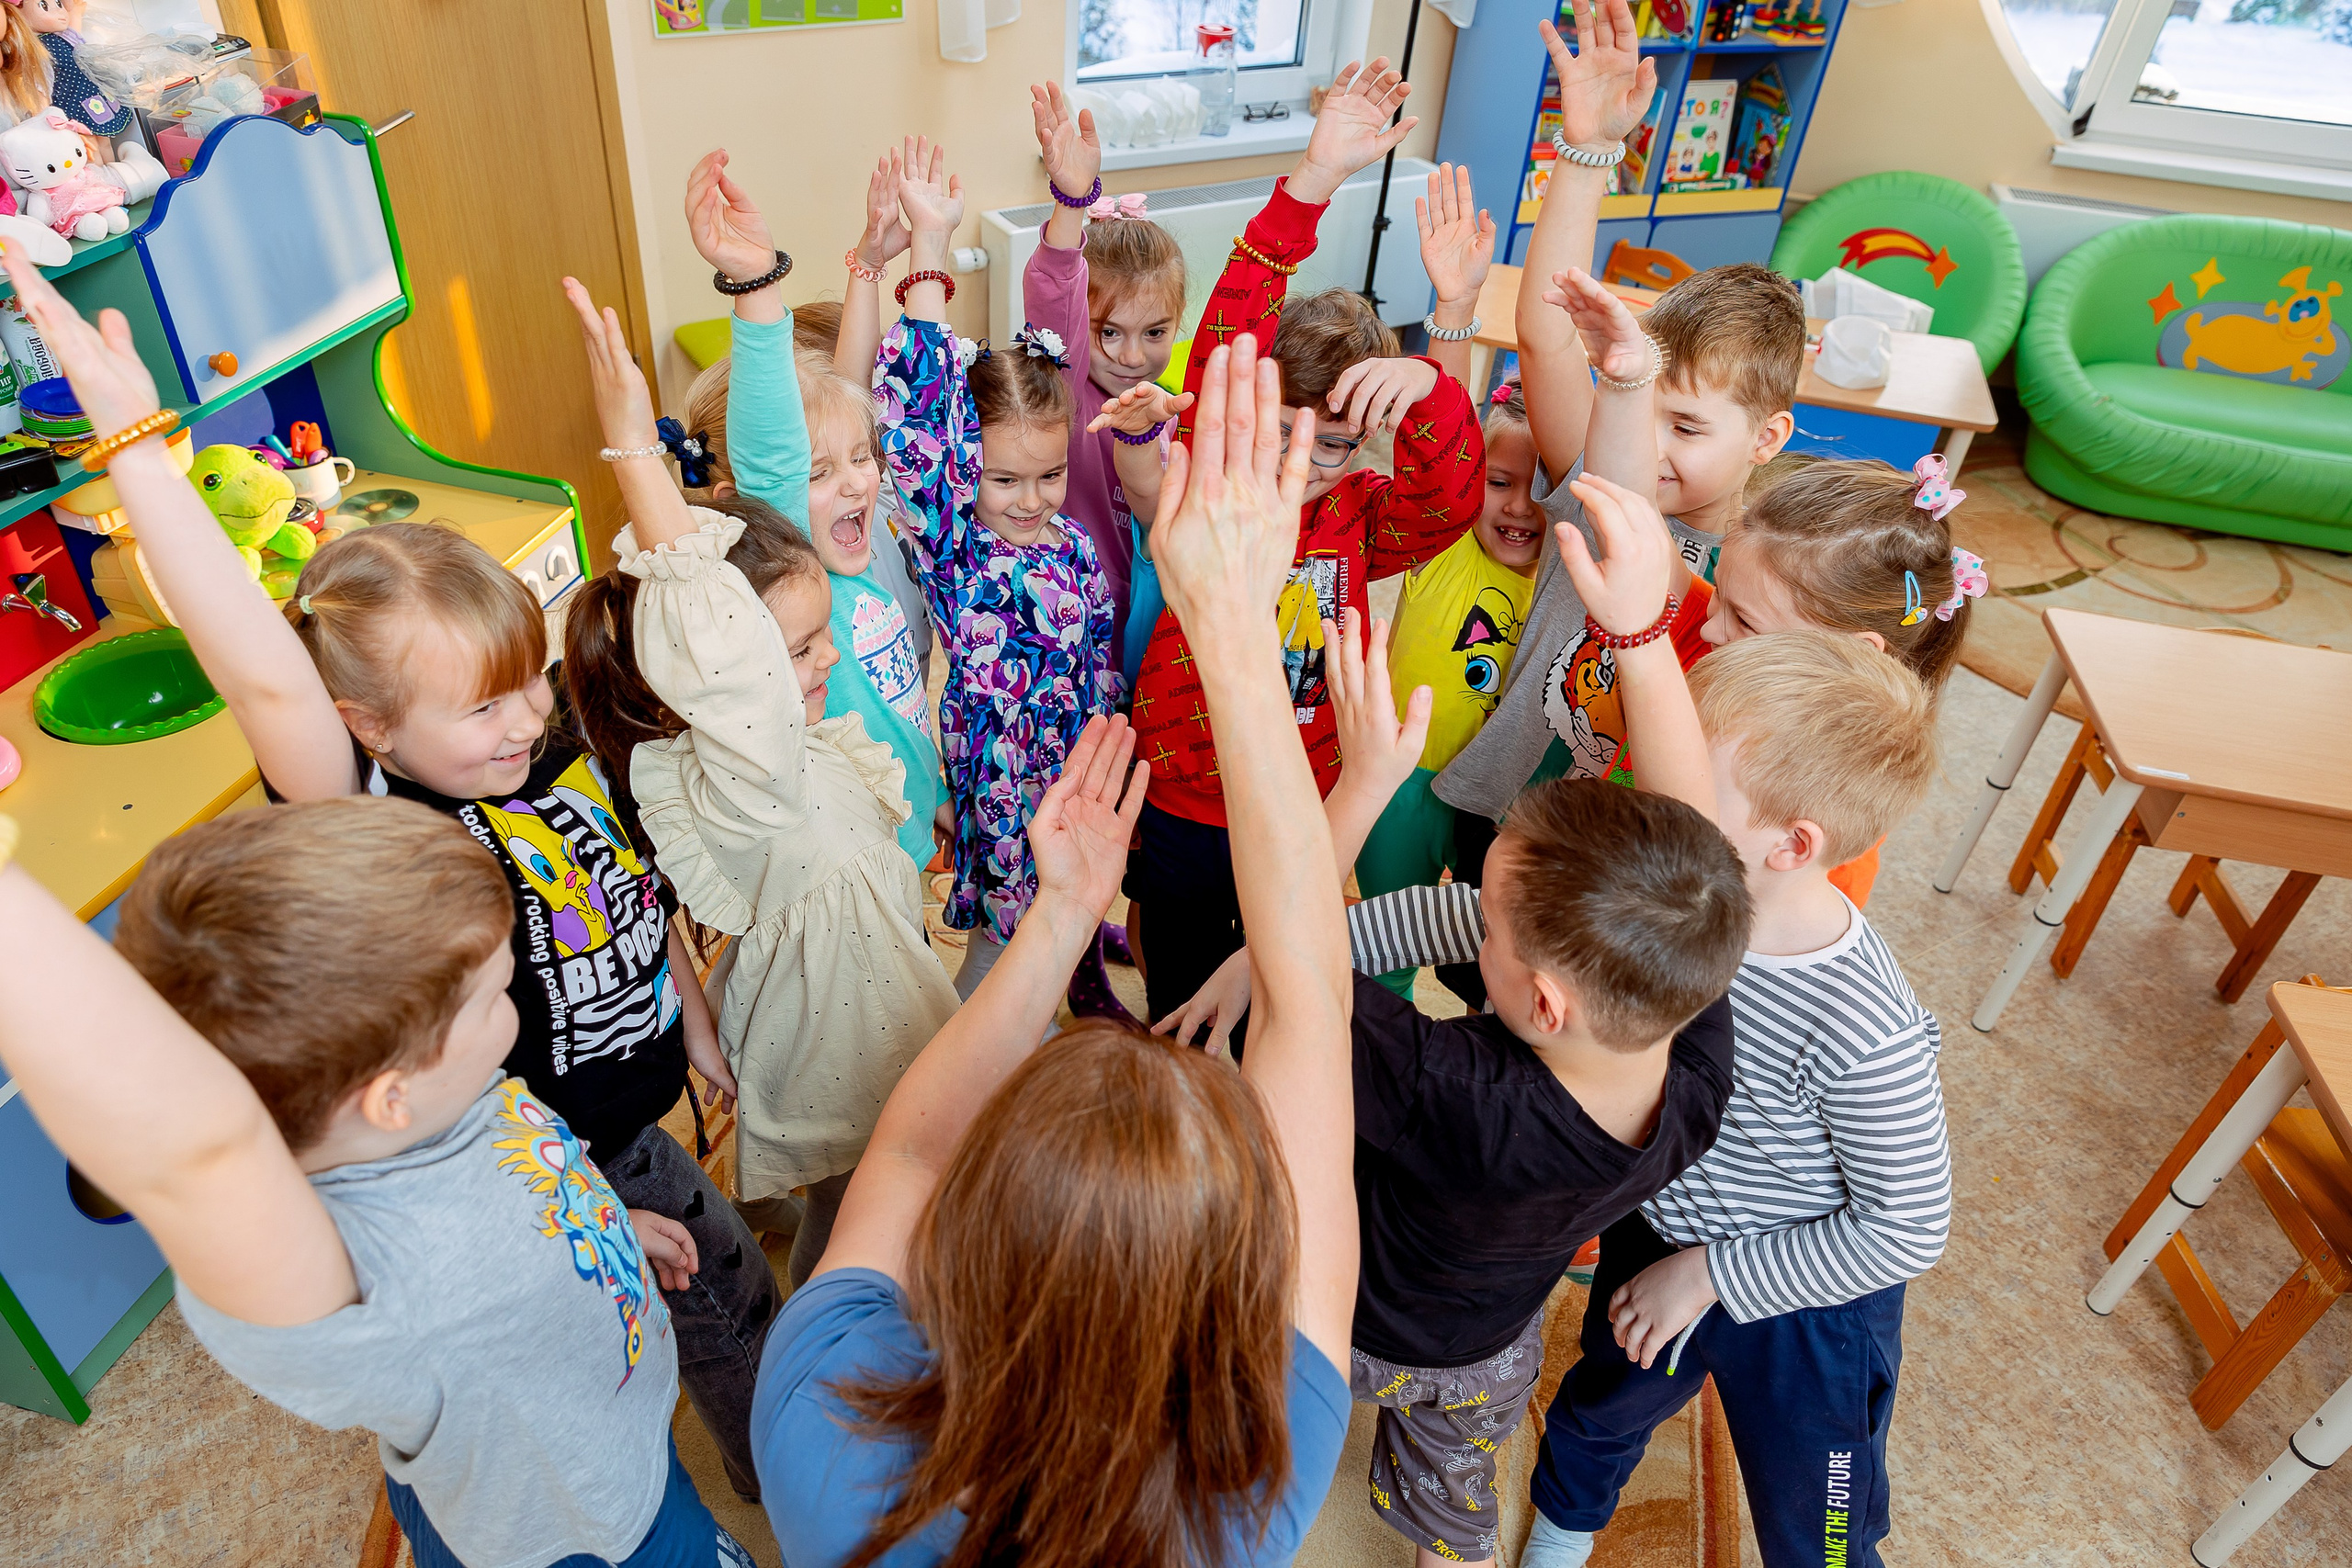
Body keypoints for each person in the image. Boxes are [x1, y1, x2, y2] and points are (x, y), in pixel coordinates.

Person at [0, 242, 780, 1501]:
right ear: (367, 728)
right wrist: (141, 448)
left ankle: (766, 1445)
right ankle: (778, 1466)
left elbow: (626, 901)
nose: (526, 716)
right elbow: (258, 666)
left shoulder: (554, 750)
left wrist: (691, 1015)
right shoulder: (380, 819)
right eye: (479, 706)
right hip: (553, 1159)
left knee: (731, 1298)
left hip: (629, 1120)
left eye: (526, 676)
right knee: (710, 1312)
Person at [750, 333, 1360, 1568]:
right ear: (1233, 1290)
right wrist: (1240, 632)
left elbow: (912, 1140)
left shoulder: (820, 1421)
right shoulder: (1254, 1484)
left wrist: (1058, 912)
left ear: (961, 1242)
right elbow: (1311, 1013)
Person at [0, 801, 755, 1568]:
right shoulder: (365, 1271)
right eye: (496, 992)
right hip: (581, 1529)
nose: (516, 995)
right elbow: (205, 1155)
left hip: (618, 1443)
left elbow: (514, 1193)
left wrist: (606, 1224)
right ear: (392, 1092)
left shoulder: (456, 1091)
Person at [1158, 591, 1749, 1568]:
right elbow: (1688, 841)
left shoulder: (1451, 1088)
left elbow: (1292, 961)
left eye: (1487, 935)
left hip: (1334, 1321)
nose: (1470, 934)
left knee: (1229, 1433)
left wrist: (1363, 781)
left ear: (1548, 1004)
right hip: (1487, 1352)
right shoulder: (1694, 1056)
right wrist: (1642, 636)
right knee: (1455, 1518)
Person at [1518, 476, 1952, 1568]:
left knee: (1822, 1515)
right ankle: (1559, 1542)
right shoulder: (1681, 890)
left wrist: (1716, 1274)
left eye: (1685, 782)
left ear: (1791, 845)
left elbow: (1906, 1227)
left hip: (1804, 1301)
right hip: (1663, 1225)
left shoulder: (1863, 1024)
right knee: (1593, 1415)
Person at [563, 278, 961, 1289]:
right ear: (720, 678)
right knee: (865, 1232)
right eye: (795, 649)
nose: (823, 662)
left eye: (824, 633)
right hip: (838, 1063)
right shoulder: (754, 768)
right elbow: (719, 638)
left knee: (871, 1192)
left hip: (870, 1019)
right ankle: (827, 1351)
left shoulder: (806, 742)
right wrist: (632, 454)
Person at [1125, 57, 1488, 1022]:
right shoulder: (1218, 469)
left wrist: (1433, 385)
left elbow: (1448, 494)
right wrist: (1314, 181)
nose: (1302, 459)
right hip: (1184, 798)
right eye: (1281, 426)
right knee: (1179, 983)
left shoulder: (1365, 510)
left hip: (1303, 798)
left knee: (1279, 982)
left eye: (1329, 442)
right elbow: (1225, 343)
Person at [620, 150, 945, 875]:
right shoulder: (792, 571)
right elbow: (774, 448)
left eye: (863, 456)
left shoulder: (855, 557)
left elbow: (900, 714)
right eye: (821, 471)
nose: (861, 482)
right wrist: (754, 283)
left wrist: (934, 796)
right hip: (847, 873)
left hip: (905, 851)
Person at [872, 134, 1122, 1001]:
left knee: (1077, 893)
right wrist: (929, 253)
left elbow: (1096, 648)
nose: (1030, 499)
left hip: (1076, 758)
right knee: (1013, 939)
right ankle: (995, 1040)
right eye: (1002, 478)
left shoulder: (1076, 543)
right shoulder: (955, 544)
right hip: (1004, 787)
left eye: (1049, 475)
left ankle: (1083, 960)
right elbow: (914, 426)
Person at [1688, 453, 1984, 902]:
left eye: (1744, 622)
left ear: (1851, 653)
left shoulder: (1826, 871)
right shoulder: (1725, 635)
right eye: (1719, 594)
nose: (1709, 627)